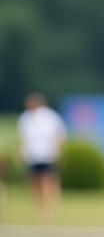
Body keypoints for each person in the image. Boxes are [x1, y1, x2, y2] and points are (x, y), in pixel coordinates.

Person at [17, 92, 66, 224]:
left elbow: (59, 136)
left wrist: (58, 152)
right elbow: (23, 138)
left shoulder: (51, 117)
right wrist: (22, 152)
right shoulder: (25, 118)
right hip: (33, 155)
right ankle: (39, 206)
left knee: (47, 181)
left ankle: (49, 207)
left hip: (47, 154)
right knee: (35, 182)